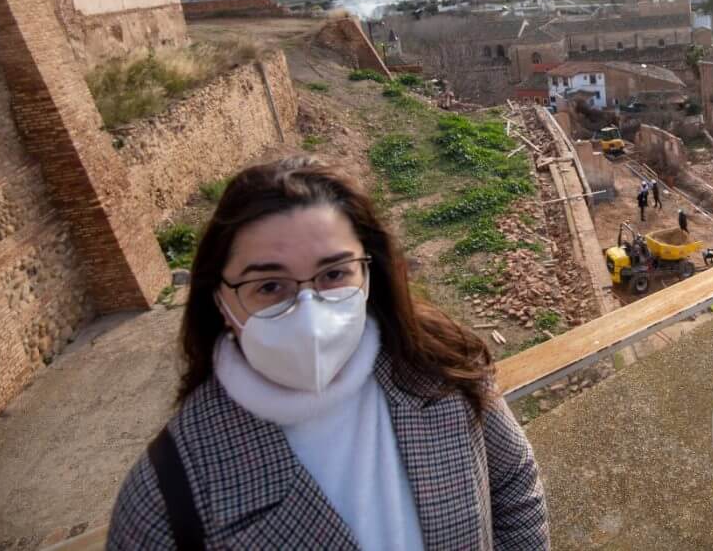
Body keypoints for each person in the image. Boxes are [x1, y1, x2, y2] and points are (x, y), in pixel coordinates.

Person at [108, 157, 549, 550]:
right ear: (221, 302)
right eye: (269, 286)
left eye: (333, 274)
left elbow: (513, 484)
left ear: (367, 274)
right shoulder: (167, 495)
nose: (308, 312)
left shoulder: (442, 366)